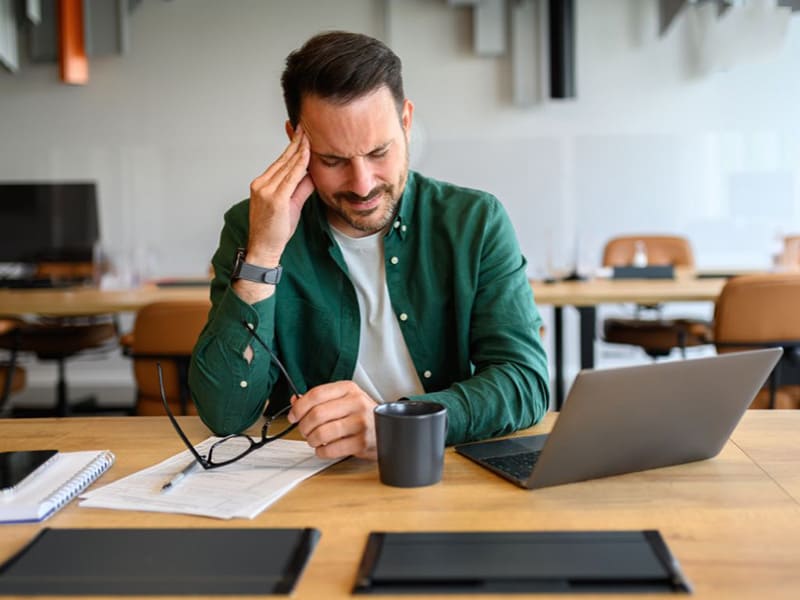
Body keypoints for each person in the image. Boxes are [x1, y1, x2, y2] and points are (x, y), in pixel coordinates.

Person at [189, 31, 549, 461]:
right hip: (309, 478)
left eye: (379, 152)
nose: (362, 185)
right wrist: (263, 256)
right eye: (333, 160)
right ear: (295, 141)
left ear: (407, 121)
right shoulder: (252, 227)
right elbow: (226, 415)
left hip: (444, 469)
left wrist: (401, 423)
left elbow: (525, 382)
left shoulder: (475, 221)